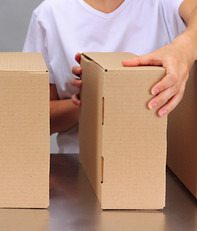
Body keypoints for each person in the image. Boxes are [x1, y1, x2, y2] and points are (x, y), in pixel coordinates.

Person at [23, 0, 197, 153]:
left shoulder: (163, 4)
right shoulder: (50, 13)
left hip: (161, 169)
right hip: (78, 169)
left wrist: (184, 48)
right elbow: (32, 120)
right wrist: (87, 104)